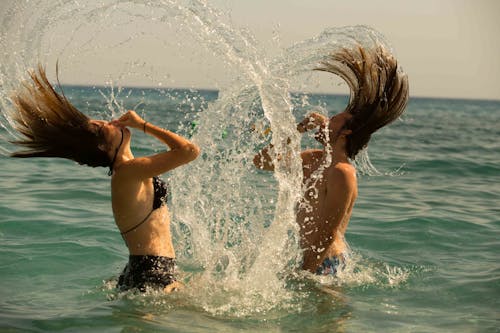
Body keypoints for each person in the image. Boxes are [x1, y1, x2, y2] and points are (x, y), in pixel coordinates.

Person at [8, 65, 200, 292]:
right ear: (102, 145)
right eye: (101, 127)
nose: (108, 122)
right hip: (151, 274)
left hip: (152, 271)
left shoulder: (129, 172)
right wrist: (142, 125)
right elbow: (189, 151)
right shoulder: (128, 171)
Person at [253, 44, 409, 276]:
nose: (325, 120)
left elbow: (327, 233)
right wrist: (297, 130)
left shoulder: (342, 173)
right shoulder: (311, 159)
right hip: (306, 260)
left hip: (326, 264)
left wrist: (304, 273)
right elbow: (261, 161)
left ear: (345, 133)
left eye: (333, 119)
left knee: (331, 314)